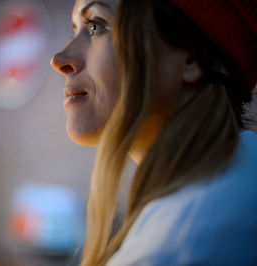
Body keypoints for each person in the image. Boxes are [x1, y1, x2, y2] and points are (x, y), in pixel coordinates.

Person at [50, 0, 257, 265]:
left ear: (189, 56)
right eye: (75, 31)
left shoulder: (179, 243)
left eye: (95, 26)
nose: (59, 60)